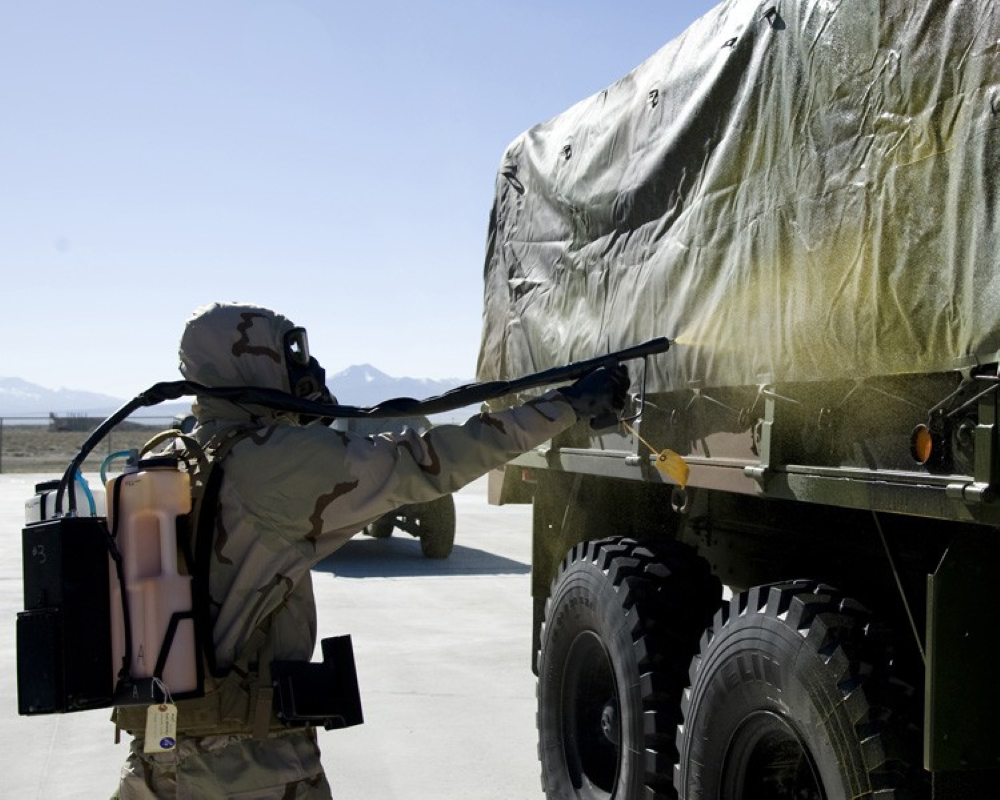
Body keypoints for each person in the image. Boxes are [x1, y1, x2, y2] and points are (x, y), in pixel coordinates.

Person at [112, 301, 629, 799]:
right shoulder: (272, 463)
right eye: (283, 356)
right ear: (248, 364)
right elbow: (428, 462)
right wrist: (567, 404)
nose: (304, 369)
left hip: (159, 760)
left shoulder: (170, 456)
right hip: (248, 769)